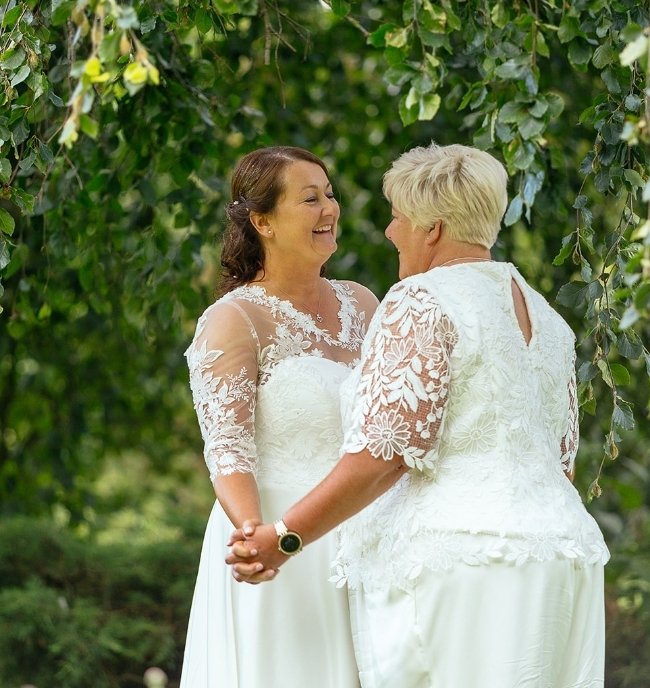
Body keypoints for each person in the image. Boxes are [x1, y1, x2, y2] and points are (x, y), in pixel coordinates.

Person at [227, 143, 610, 687]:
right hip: (564, 557)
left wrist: (285, 537)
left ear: (431, 229)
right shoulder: (546, 318)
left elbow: (382, 456)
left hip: (463, 567)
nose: (389, 232)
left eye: (398, 218)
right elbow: (560, 463)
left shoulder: (422, 300)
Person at [180, 146, 379, 687]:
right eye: (310, 198)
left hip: (366, 537)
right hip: (279, 542)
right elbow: (228, 448)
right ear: (262, 220)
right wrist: (254, 538)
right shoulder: (233, 319)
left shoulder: (364, 305)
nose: (329, 209)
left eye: (331, 195)